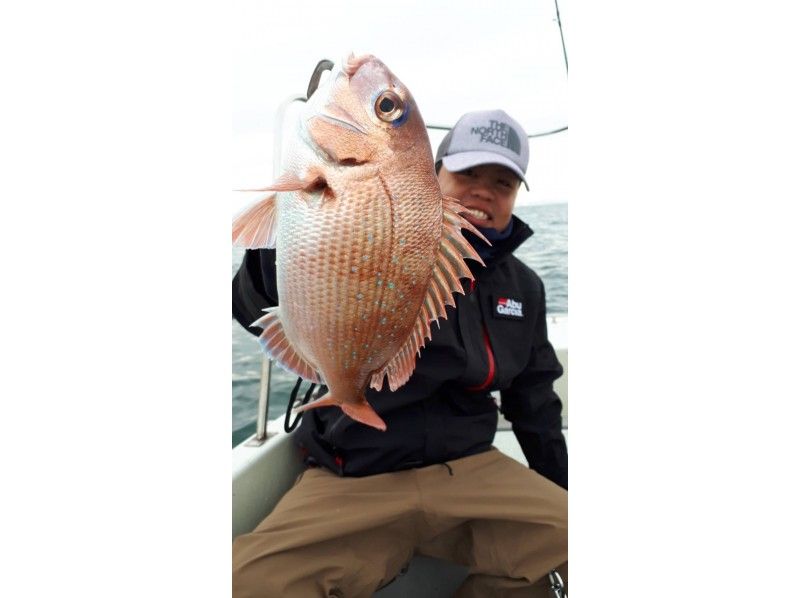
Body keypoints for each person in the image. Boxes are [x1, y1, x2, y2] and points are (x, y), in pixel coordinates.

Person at [232, 109, 568, 597]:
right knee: (248, 583)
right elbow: (250, 305)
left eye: (503, 182)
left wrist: (560, 490)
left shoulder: (525, 287)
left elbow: (534, 401)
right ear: (432, 175)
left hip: (470, 466)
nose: (484, 192)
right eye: (468, 174)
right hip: (354, 468)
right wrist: (292, 237)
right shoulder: (367, 231)